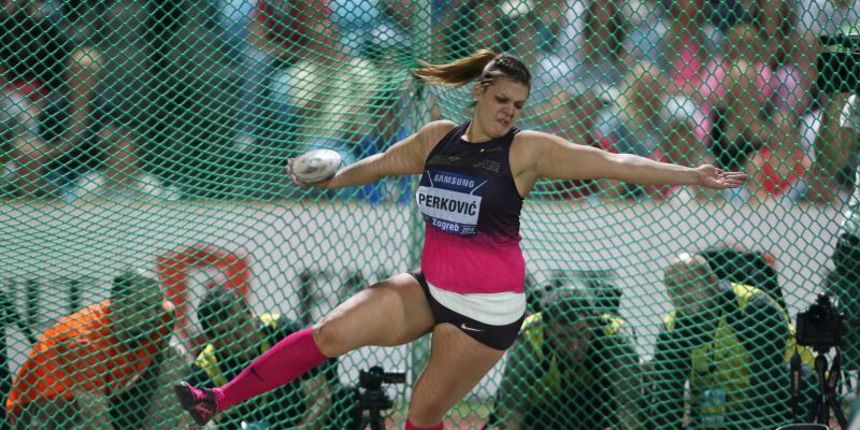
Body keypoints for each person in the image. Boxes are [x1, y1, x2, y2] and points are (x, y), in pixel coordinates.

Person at [174, 49, 747, 430]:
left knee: (421, 415)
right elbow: (375, 166)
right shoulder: (436, 139)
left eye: (519, 105)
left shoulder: (526, 150)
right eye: (502, 101)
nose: (509, 112)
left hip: (487, 313)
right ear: (480, 92)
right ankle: (216, 402)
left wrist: (690, 174)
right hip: (431, 288)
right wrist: (327, 175)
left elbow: (612, 161)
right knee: (330, 332)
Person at [648, 253, 815, 430]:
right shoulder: (672, 330)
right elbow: (666, 400)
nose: (681, 294)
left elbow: (767, 387)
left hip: (778, 405)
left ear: (712, 280)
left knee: (797, 379)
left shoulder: (753, 308)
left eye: (689, 283)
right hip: (718, 417)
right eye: (673, 287)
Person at [5, 270, 187, 429]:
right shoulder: (83, 340)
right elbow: (95, 417)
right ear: (117, 305)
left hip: (111, 396)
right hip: (49, 409)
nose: (151, 317)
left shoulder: (162, 317)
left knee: (175, 355)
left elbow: (167, 309)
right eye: (141, 308)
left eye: (156, 307)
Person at [187, 287, 357, 429]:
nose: (240, 337)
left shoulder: (281, 332)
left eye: (241, 323)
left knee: (345, 399)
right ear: (213, 341)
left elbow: (320, 398)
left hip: (298, 421)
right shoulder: (203, 372)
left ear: (250, 314)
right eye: (226, 333)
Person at [488, 288, 643, 430]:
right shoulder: (529, 338)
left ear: (593, 323)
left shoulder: (614, 335)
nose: (574, 346)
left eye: (581, 333)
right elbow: (511, 415)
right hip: (542, 416)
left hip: (599, 408)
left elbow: (629, 410)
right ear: (548, 330)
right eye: (563, 337)